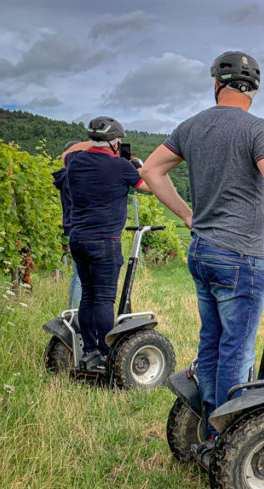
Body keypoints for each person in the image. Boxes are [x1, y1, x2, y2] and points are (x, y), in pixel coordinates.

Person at [141, 51, 264, 456]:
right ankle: (222, 440)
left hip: (202, 251)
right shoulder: (258, 129)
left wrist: (188, 214)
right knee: (237, 348)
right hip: (240, 257)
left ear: (216, 85)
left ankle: (209, 418)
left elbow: (151, 171)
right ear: (255, 90)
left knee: (211, 340)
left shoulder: (191, 127)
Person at [63, 117, 152, 373]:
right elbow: (147, 186)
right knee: (104, 299)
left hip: (78, 238)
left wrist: (95, 140)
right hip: (105, 240)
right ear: (115, 143)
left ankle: (89, 349)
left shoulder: (74, 161)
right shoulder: (119, 167)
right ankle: (105, 352)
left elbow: (66, 153)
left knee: (88, 295)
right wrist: (138, 167)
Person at [51, 141, 82, 308]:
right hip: (79, 228)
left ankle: (71, 311)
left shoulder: (64, 177)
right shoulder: (75, 178)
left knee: (76, 274)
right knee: (81, 277)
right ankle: (77, 316)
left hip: (69, 227)